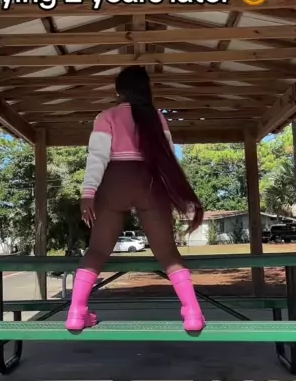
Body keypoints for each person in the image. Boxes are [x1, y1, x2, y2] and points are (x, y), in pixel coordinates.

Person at [65, 65, 206, 333]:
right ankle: (192, 312)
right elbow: (168, 156)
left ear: (118, 90)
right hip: (150, 183)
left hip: (114, 183)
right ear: (145, 89)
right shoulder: (156, 117)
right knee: (167, 252)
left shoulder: (106, 117)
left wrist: (88, 193)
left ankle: (76, 312)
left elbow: (97, 158)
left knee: (97, 251)